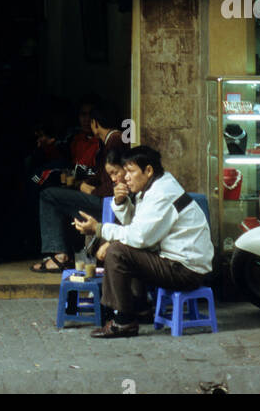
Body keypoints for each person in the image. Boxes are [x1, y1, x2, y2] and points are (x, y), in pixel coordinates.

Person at [72, 144, 214, 339]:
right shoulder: (154, 187)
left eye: (131, 171)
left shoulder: (162, 193)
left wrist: (99, 228)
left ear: (148, 170)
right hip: (177, 262)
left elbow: (139, 237)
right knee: (125, 249)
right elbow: (139, 226)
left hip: (185, 270)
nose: (125, 177)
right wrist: (121, 203)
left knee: (117, 252)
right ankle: (139, 309)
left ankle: (124, 321)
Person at [31, 105, 123, 272]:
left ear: (95, 123)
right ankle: (67, 253)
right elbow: (101, 175)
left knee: (48, 195)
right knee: (58, 195)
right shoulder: (107, 141)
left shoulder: (115, 140)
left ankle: (60, 256)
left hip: (108, 203)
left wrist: (90, 190)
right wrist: (79, 185)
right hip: (103, 198)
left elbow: (113, 185)